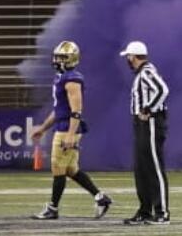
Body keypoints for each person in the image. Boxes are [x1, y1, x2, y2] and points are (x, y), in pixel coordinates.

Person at [30, 41, 112, 221]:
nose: (58, 60)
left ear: (71, 59)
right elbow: (59, 109)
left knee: (57, 168)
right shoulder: (62, 77)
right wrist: (43, 128)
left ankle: (52, 208)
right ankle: (100, 198)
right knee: (71, 169)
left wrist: (70, 134)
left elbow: (76, 110)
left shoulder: (72, 79)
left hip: (68, 128)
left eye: (62, 57)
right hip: (64, 125)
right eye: (57, 56)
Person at [120, 40, 170, 225]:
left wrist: (148, 109)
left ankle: (162, 212)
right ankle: (145, 210)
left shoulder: (147, 71)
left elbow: (163, 90)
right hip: (142, 124)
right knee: (141, 168)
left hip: (151, 122)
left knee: (154, 167)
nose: (127, 60)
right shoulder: (142, 73)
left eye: (128, 57)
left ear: (133, 57)